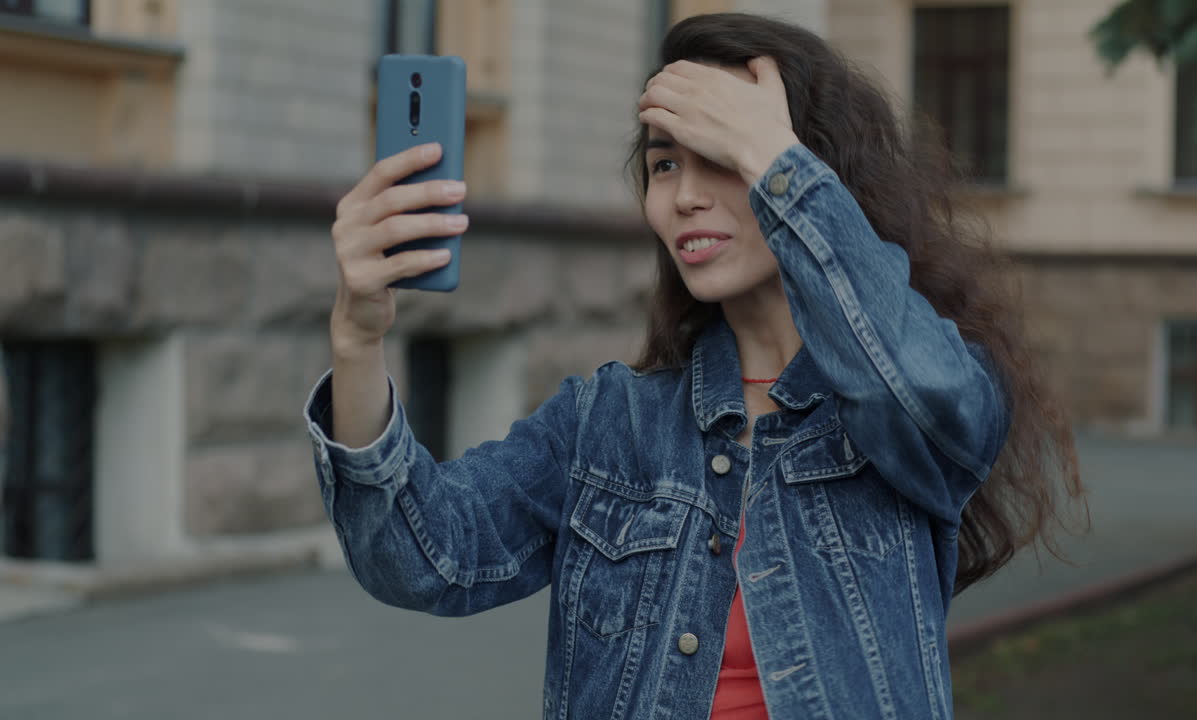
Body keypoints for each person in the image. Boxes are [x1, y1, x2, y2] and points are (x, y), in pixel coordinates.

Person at [304, 12, 1084, 720]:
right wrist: (357, 339)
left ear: (809, 170)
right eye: (665, 165)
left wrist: (774, 162)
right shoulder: (609, 422)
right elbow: (423, 558)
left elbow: (921, 391)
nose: (683, 198)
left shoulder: (911, 407)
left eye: (721, 158)